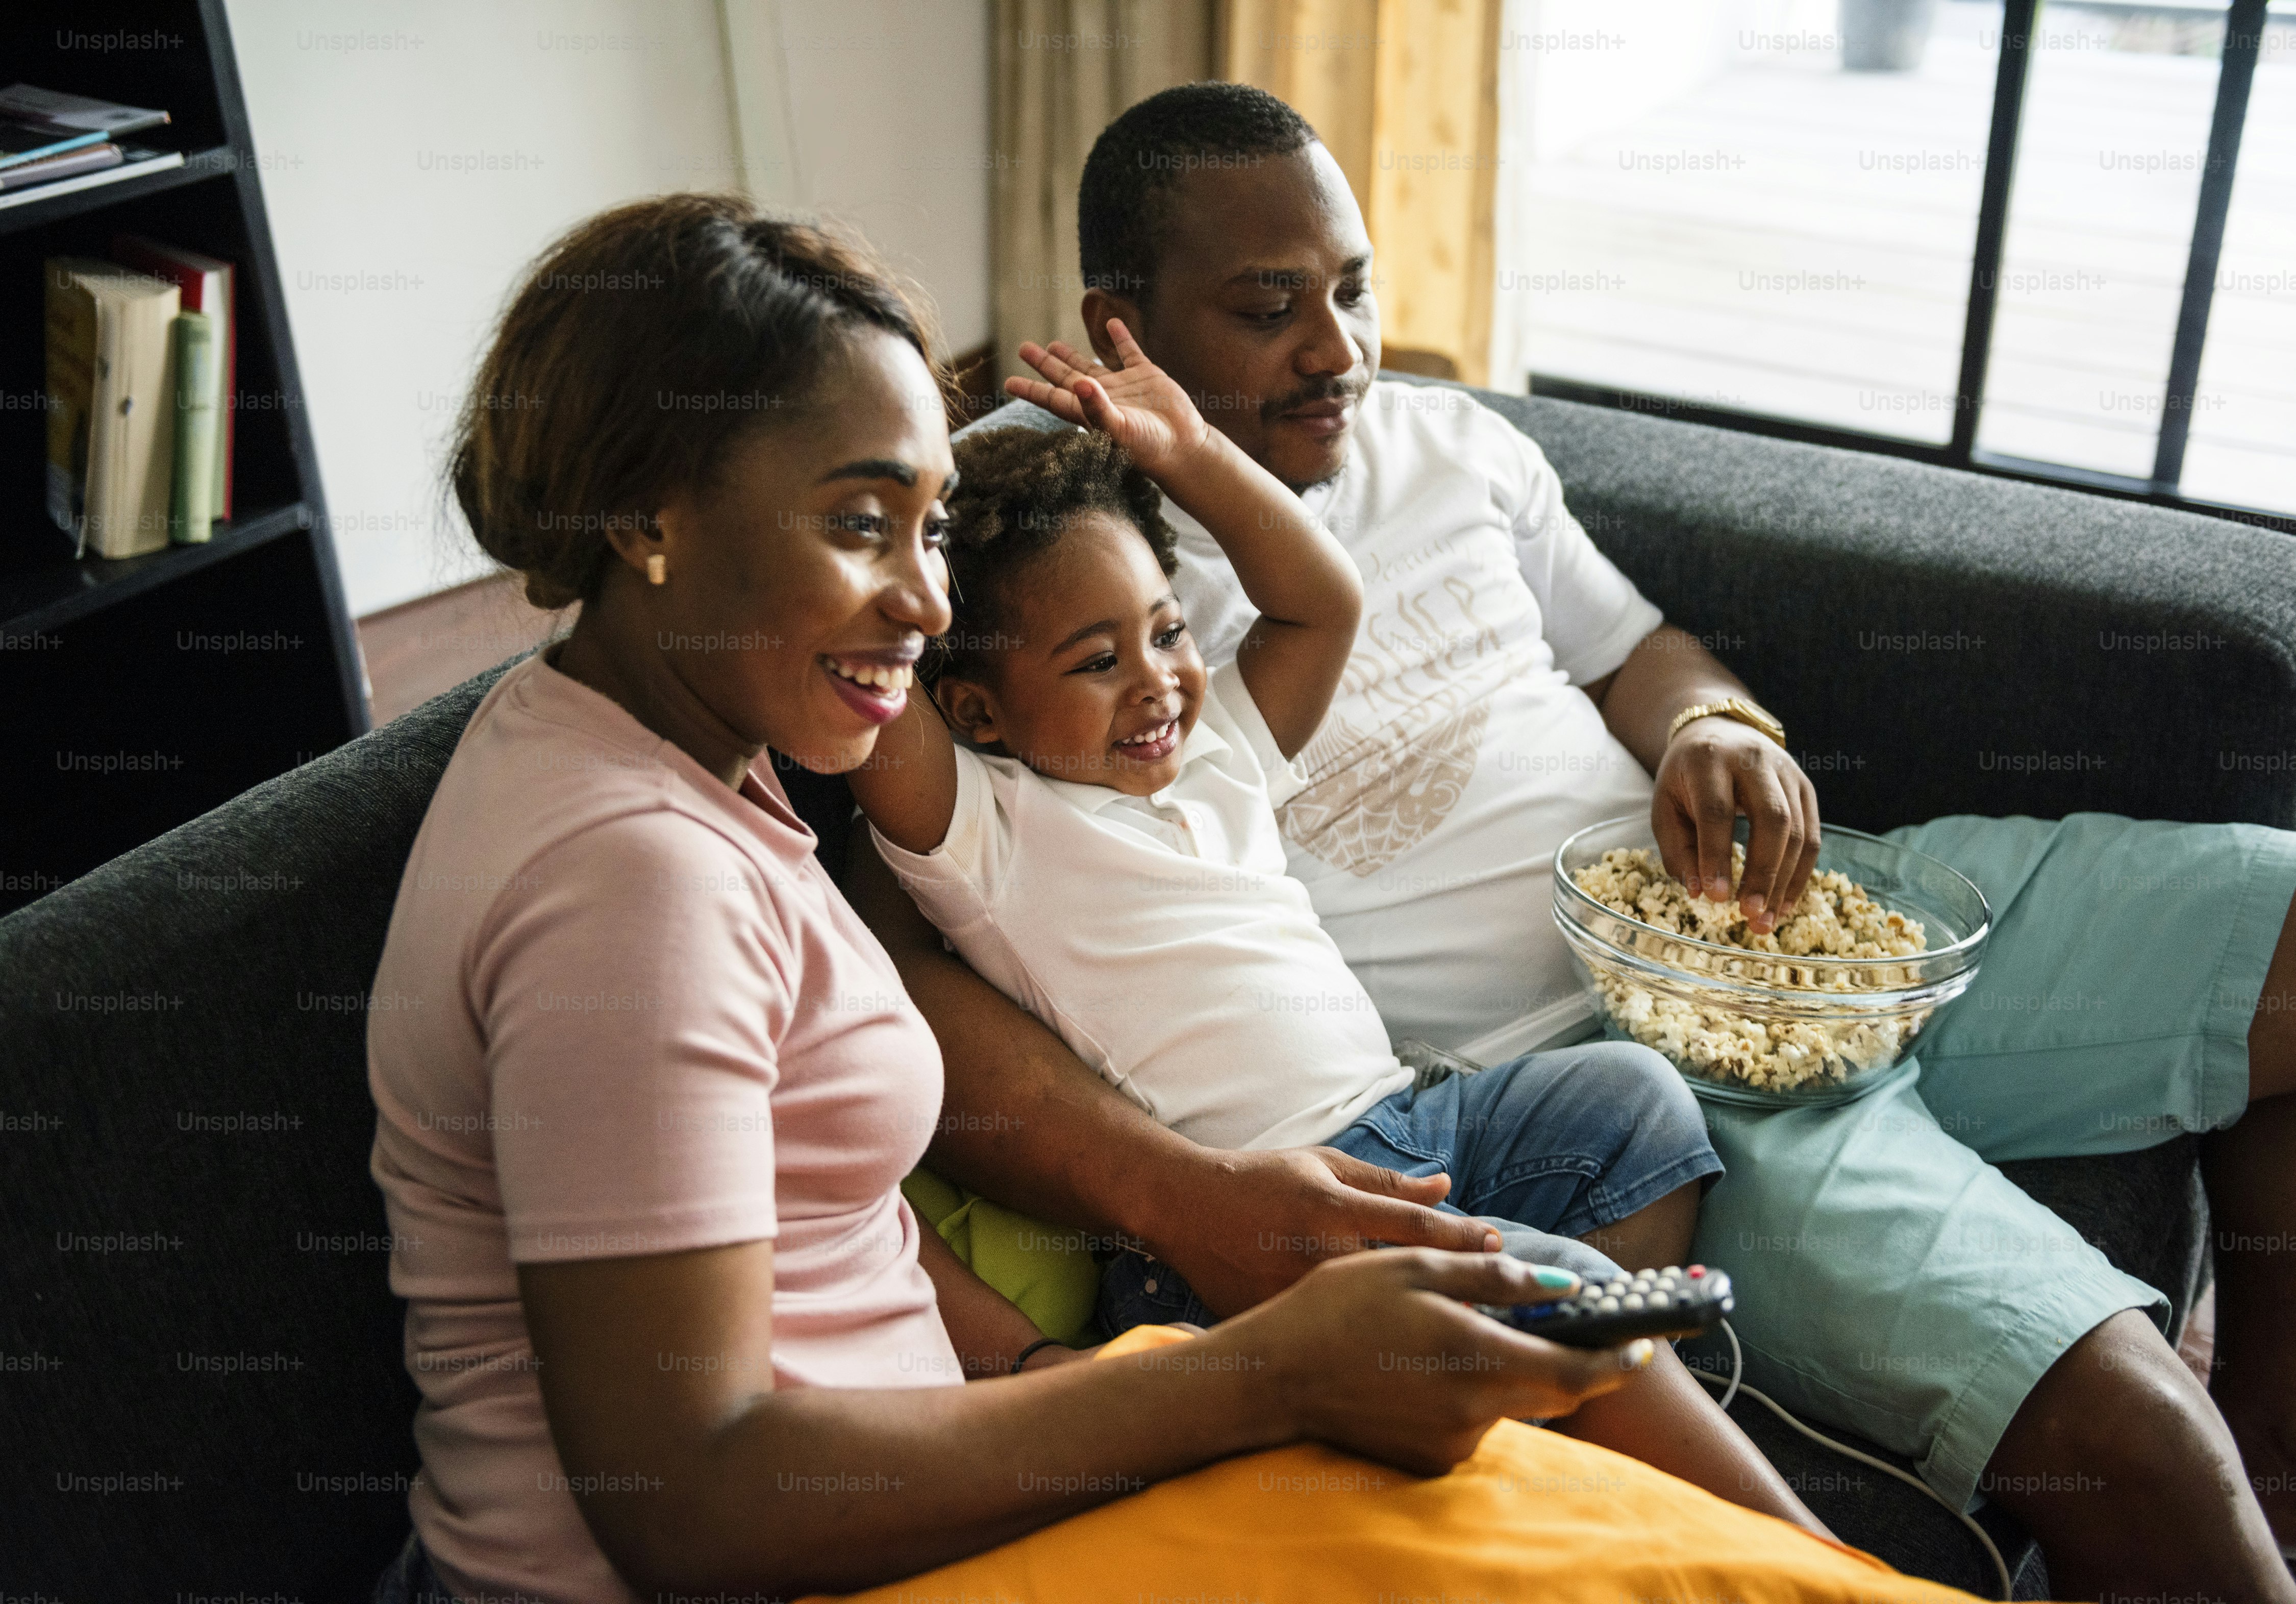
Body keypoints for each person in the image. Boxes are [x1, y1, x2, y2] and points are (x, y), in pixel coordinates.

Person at [361, 192, 1979, 1604]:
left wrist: (1052, 1375)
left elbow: (802, 1230)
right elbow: (687, 1501)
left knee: (1569, 1447)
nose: (924, 600)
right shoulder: (630, 880)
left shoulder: (681, 753)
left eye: (929, 527)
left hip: (921, 1474)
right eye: (861, 524)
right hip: (785, 1566)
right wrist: (1242, 1377)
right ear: (647, 518)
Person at [846, 82, 2296, 1601]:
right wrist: (1172, 1198)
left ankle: (2275, 1431)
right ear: (1121, 323)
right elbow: (897, 935)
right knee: (2138, 1434)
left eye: (1350, 290)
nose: (1336, 349)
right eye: (1269, 308)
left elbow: (1636, 651)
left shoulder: (1443, 441)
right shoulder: (1041, 581)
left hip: (1797, 914)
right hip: (1603, 1068)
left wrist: (1710, 729)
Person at [846, 319, 1824, 1533]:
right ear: (982, 713)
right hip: (1234, 1231)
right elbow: (884, 692)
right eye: (1097, 662)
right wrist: (898, 515)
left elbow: (1320, 599)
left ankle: (1534, 1415)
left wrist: (1191, 447)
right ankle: (1804, 1549)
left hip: (1406, 1122)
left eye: (1166, 632)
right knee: (1559, 1282)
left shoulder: (1216, 755)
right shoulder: (984, 830)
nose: (1156, 680)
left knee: (1634, 1100)